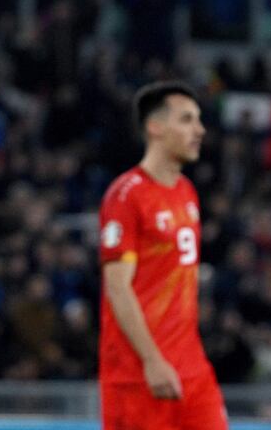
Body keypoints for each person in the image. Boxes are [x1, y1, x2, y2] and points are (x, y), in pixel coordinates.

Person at [97, 82, 227, 429]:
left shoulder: (187, 192)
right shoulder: (125, 196)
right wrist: (152, 360)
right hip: (138, 375)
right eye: (187, 120)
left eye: (198, 120)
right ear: (155, 127)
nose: (199, 130)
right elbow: (118, 288)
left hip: (192, 369)